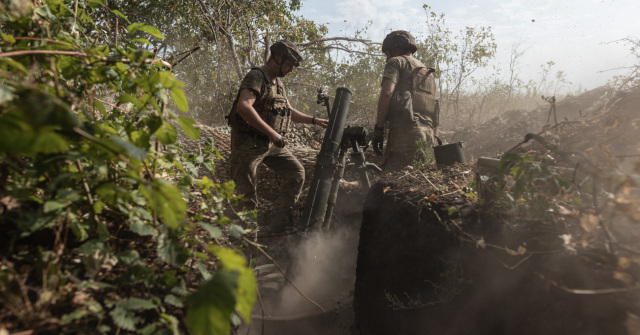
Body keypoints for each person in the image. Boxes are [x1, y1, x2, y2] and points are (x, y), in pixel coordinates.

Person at [227, 40, 328, 233]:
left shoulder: (278, 84)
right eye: (289, 64)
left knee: (296, 173)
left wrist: (314, 120)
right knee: (246, 198)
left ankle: (278, 227)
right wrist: (272, 133)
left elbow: (289, 111)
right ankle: (244, 251)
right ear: (278, 58)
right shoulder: (257, 76)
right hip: (247, 145)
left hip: (268, 145)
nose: (290, 69)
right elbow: (244, 106)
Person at [372, 30, 439, 173]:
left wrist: (379, 129)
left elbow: (387, 93)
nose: (386, 59)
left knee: (392, 183)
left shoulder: (396, 62)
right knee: (418, 181)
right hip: (427, 134)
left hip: (405, 134)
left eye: (387, 54)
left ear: (395, 49)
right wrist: (434, 136)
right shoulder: (426, 72)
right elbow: (435, 107)